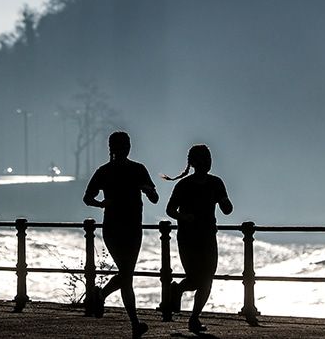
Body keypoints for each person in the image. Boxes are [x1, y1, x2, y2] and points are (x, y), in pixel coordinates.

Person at [83, 131, 159, 338]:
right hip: (130, 227)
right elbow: (155, 199)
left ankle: (101, 295)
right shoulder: (137, 169)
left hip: (116, 227)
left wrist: (102, 204)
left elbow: (88, 198)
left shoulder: (105, 171)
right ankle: (133, 322)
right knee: (127, 275)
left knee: (126, 274)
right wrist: (147, 190)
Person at [163, 144, 233, 333]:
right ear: (194, 163)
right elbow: (170, 210)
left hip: (208, 236)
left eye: (208, 160)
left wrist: (225, 202)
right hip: (188, 237)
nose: (206, 163)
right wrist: (184, 217)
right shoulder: (184, 185)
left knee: (207, 279)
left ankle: (194, 317)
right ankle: (178, 291)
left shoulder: (216, 183)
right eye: (202, 160)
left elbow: (227, 209)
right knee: (195, 279)